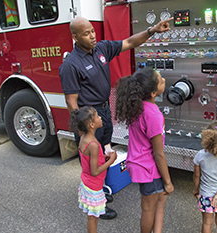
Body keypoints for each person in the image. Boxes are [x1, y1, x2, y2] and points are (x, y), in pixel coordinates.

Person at [59, 16, 172, 219]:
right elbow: (71, 101)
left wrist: (152, 30)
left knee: (103, 152)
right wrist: (85, 130)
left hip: (103, 111)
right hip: (89, 117)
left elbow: (129, 42)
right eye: (86, 33)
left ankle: (99, 190)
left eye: (92, 30)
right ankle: (96, 205)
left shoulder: (101, 49)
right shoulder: (71, 65)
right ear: (75, 37)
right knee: (91, 159)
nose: (92, 35)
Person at [114, 69, 174, 233]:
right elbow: (158, 153)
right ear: (154, 93)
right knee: (148, 208)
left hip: (138, 163)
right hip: (149, 168)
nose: (163, 79)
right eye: (160, 80)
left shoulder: (138, 107)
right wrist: (168, 181)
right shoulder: (154, 115)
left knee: (155, 202)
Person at [69, 106, 117, 233]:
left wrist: (104, 158)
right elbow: (95, 171)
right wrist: (111, 161)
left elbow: (88, 160)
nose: (101, 118)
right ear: (91, 124)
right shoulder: (94, 145)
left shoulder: (84, 138)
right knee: (93, 218)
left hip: (86, 182)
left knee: (93, 216)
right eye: (97, 116)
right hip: (94, 186)